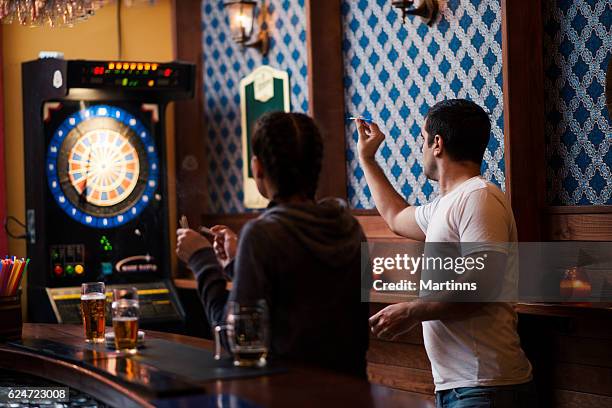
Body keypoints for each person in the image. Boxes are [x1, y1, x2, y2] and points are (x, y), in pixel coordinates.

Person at [357, 99, 537, 407]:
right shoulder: (447, 204)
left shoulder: (478, 198)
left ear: (437, 143)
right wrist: (367, 160)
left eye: (423, 139)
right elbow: (395, 216)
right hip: (461, 388)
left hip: (484, 387)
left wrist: (412, 310)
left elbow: (481, 286)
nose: (422, 148)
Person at [176, 111, 369, 377]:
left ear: (257, 168)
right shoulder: (349, 227)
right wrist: (236, 264)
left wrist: (201, 260)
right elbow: (297, 296)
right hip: (351, 392)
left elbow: (236, 339)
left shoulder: (263, 234)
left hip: (288, 394)